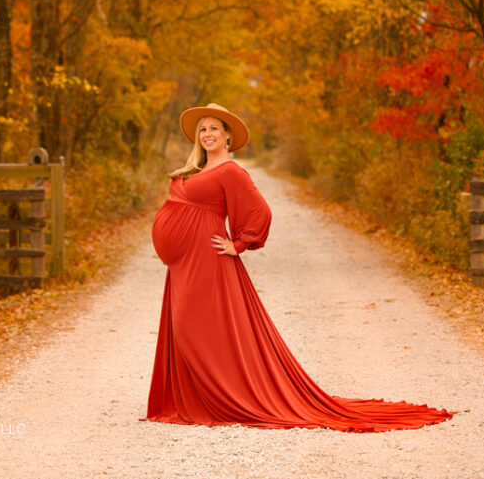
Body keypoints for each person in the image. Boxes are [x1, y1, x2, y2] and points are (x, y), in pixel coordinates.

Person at [144, 103, 452, 432]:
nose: (207, 134)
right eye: (202, 129)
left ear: (228, 136)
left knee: (196, 328)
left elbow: (260, 211)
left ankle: (220, 396)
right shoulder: (195, 171)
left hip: (207, 260)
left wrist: (239, 244)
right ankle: (195, 397)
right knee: (185, 326)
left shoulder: (231, 172)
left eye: (214, 128)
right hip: (183, 264)